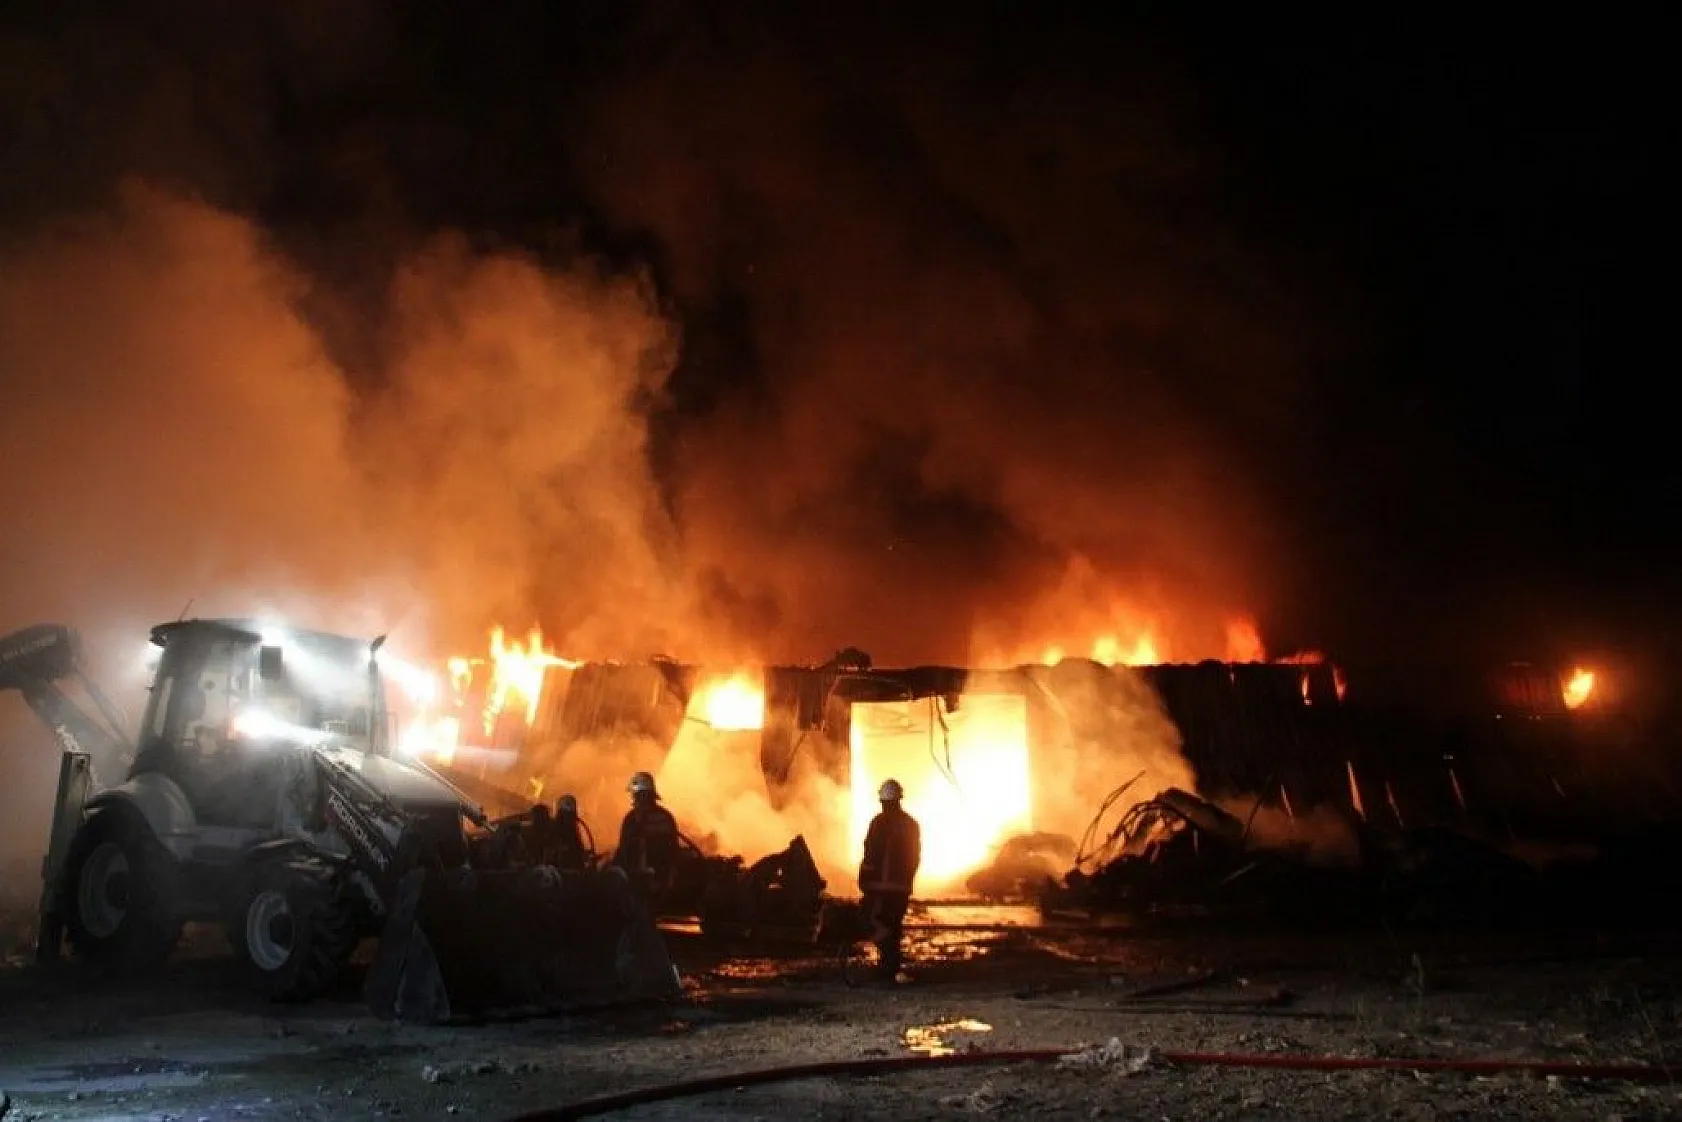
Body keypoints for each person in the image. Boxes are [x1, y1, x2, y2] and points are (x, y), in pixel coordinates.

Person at [858, 778, 921, 982]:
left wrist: (864, 879)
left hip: (879, 888)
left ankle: (889, 959)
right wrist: (907, 879)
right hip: (900, 889)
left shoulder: (878, 823)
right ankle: (890, 967)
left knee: (871, 921)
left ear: (884, 801)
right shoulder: (911, 824)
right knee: (893, 926)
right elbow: (915, 857)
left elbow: (870, 853)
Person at [614, 771, 680, 902]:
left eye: (635, 796)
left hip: (640, 883)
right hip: (664, 881)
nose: (634, 799)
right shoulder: (666, 816)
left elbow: (624, 851)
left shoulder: (632, 818)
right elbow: (674, 849)